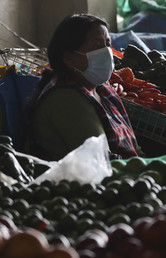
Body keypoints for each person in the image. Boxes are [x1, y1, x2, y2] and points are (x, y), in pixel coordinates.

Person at [25, 13, 140, 161]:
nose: (106, 52)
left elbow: (134, 151)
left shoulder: (102, 90)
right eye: (97, 46)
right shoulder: (66, 100)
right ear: (69, 58)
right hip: (80, 181)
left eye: (107, 44)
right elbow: (102, 160)